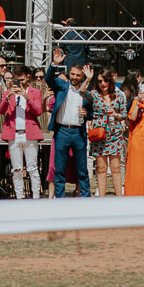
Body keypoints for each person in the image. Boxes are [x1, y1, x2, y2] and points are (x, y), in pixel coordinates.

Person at [47, 48, 94, 198]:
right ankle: (60, 199)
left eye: (77, 75)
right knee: (59, 169)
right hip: (62, 131)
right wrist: (54, 63)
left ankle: (85, 197)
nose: (74, 77)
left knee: (82, 168)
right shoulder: (62, 86)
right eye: (72, 74)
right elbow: (49, 79)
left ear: (82, 76)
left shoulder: (86, 91)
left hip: (78, 132)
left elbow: (93, 111)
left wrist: (87, 113)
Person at [0, 66, 45, 199]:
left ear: (28, 77)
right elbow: (1, 110)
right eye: (17, 79)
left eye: (23, 79)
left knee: (32, 167)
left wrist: (27, 97)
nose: (20, 82)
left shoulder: (35, 92)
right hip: (14, 133)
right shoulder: (8, 93)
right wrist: (8, 96)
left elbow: (38, 111)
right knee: (17, 169)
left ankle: (36, 197)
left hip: (30, 133)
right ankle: (19, 197)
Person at [87, 68, 127, 197]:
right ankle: (102, 198)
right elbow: (81, 93)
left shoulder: (119, 95)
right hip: (99, 134)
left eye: (105, 81)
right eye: (99, 81)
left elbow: (124, 114)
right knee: (101, 168)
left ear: (110, 80)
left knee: (116, 168)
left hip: (115, 134)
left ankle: (119, 198)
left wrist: (115, 114)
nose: (102, 84)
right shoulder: (94, 94)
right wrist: (88, 78)